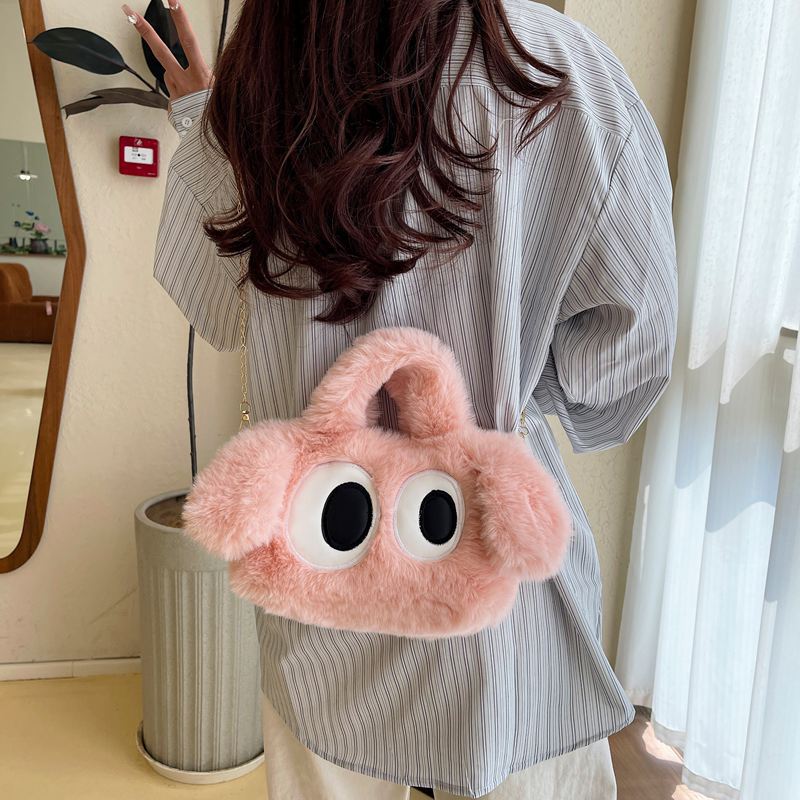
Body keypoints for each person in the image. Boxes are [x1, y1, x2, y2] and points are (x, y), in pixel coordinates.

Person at [126, 0, 678, 797]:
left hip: (319, 582)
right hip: (501, 607)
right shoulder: (566, 71)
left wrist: (203, 120)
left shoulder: (266, 74)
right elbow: (622, 373)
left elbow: (214, 307)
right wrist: (508, 394)